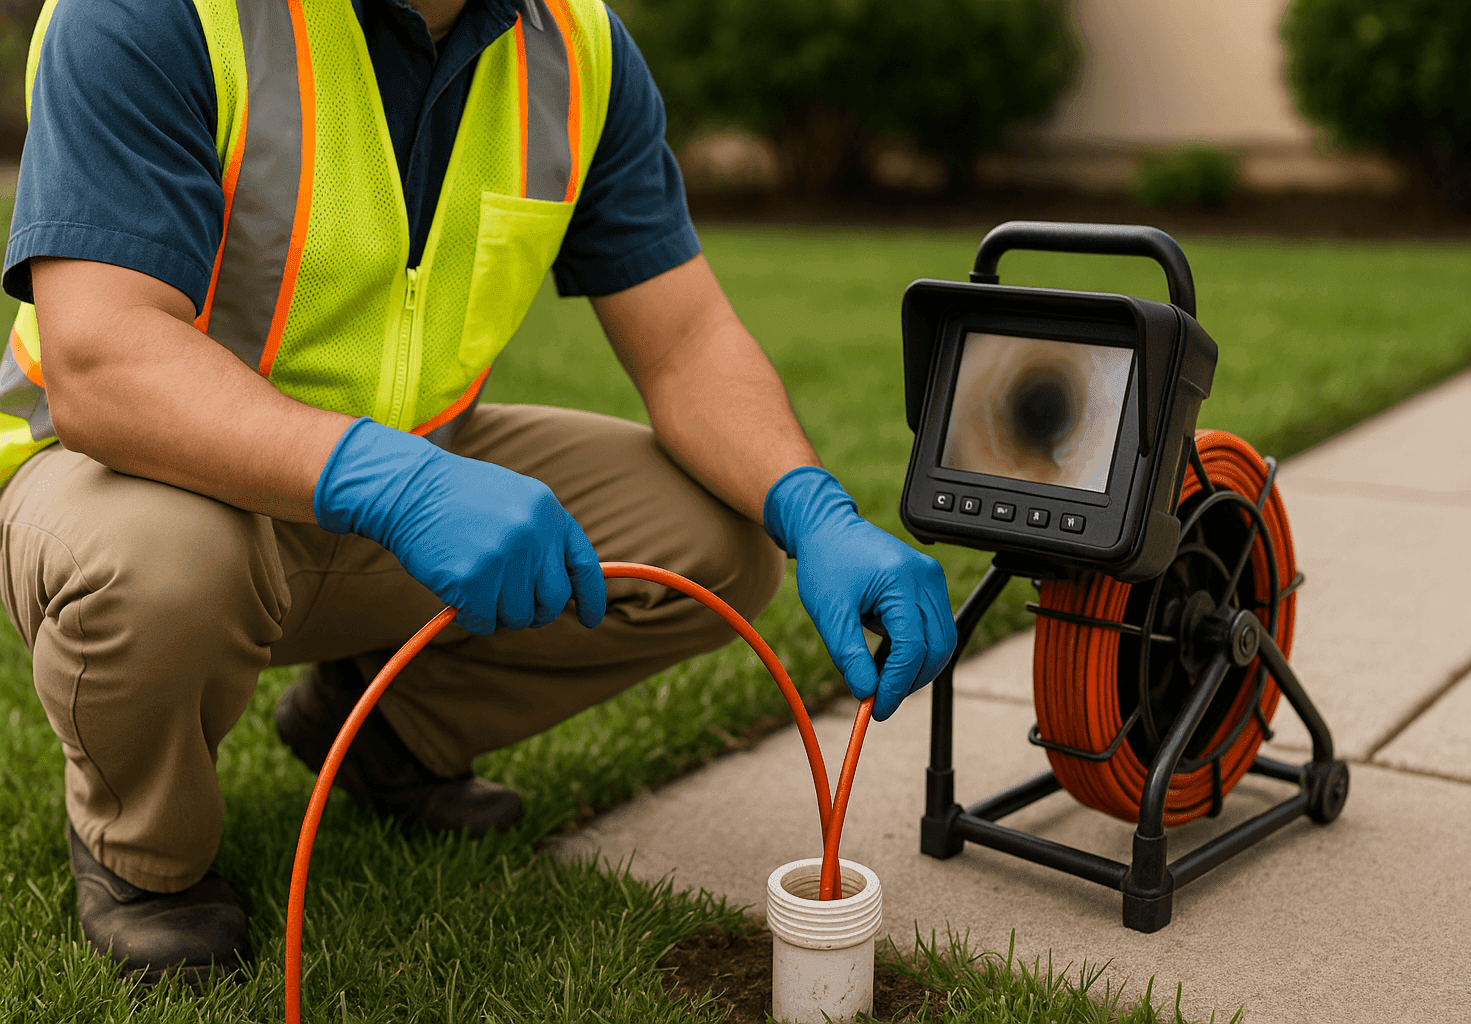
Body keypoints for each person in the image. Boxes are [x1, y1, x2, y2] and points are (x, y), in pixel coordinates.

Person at [0, 0, 957, 990]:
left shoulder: (579, 50)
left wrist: (815, 509)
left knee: (719, 533)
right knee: (157, 566)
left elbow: (684, 340)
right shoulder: (154, 15)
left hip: (404, 486)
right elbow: (104, 360)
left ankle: (383, 735)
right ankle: (145, 856)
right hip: (134, 481)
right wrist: (397, 481)